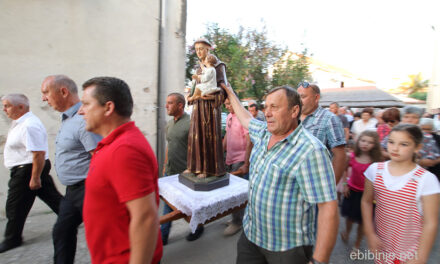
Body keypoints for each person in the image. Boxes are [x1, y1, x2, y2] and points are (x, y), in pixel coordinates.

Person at [224, 84, 338, 264]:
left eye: (274, 107)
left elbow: (327, 208)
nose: (267, 112)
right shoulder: (263, 133)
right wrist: (230, 91)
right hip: (251, 237)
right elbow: (245, 117)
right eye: (266, 107)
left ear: (294, 111)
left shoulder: (311, 151)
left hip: (286, 249)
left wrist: (319, 260)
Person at [79, 77, 162, 264]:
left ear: (108, 108)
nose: (80, 111)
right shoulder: (115, 144)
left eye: (85, 104)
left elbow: (145, 218)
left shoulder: (124, 150)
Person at [41, 75, 101, 264]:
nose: (44, 98)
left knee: (105, 234)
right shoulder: (68, 119)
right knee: (62, 231)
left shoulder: (83, 120)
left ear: (63, 92)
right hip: (72, 191)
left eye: (46, 92)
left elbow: (99, 158)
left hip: (88, 189)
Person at [361, 124, 440, 263]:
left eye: (404, 144)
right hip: (382, 248)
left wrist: (421, 257)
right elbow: (366, 201)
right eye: (391, 142)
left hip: (410, 253)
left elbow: (430, 223)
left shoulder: (427, 180)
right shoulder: (375, 170)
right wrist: (370, 233)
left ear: (417, 147)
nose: (395, 148)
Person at [0, 94, 62, 253]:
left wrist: (35, 177)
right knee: (52, 197)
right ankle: (78, 216)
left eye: (7, 105)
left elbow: (38, 154)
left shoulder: (29, 125)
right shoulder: (19, 122)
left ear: (20, 107)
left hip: (27, 169)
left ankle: (12, 239)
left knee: (15, 206)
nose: (3, 109)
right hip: (28, 167)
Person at [160, 93, 204, 243]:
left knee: (188, 205)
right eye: (166, 102)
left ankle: (197, 227)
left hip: (185, 174)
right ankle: (163, 236)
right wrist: (165, 165)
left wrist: (196, 170)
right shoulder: (169, 124)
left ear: (180, 105)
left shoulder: (191, 123)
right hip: (169, 172)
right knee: (168, 204)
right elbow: (169, 146)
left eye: (170, 103)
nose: (166, 106)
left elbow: (199, 149)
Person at [185, 38, 227, 178]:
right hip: (198, 106)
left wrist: (214, 97)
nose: (199, 52)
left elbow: (224, 88)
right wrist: (190, 97)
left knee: (207, 136)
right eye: (196, 49)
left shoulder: (218, 66)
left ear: (208, 49)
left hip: (210, 107)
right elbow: (193, 87)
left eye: (202, 49)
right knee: (195, 135)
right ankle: (194, 167)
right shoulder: (199, 68)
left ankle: (208, 169)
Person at [340, 130, 382, 255]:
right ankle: (347, 232)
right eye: (363, 140)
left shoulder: (377, 160)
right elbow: (345, 169)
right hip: (352, 191)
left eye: (370, 142)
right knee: (350, 217)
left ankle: (357, 243)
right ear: (358, 141)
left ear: (375, 145)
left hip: (369, 195)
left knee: (364, 220)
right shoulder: (352, 156)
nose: (365, 144)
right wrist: (345, 184)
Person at [297, 82, 346, 183]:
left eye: (303, 97)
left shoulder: (330, 119)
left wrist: (330, 189)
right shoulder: (293, 117)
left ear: (316, 98)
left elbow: (340, 156)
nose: (299, 101)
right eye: (297, 97)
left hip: (316, 183)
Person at [222, 98, 252, 236]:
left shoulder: (242, 117)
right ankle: (237, 217)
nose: (228, 106)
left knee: (237, 193)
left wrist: (246, 163)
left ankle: (237, 222)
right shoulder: (229, 116)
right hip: (229, 158)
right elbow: (228, 135)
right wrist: (220, 152)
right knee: (230, 191)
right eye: (226, 104)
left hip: (240, 159)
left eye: (230, 103)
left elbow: (249, 141)